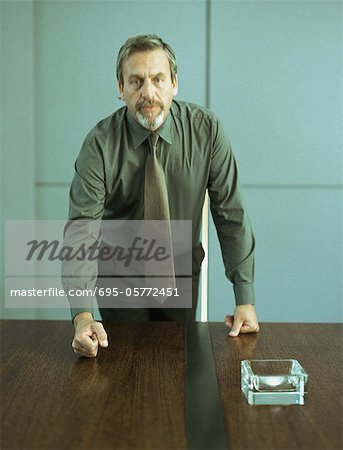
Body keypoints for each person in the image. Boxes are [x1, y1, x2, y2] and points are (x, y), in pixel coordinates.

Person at [64, 34, 259, 358]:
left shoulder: (206, 131)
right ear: (120, 87)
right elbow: (83, 228)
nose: (148, 93)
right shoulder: (99, 144)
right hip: (119, 277)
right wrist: (82, 316)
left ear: (174, 83)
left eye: (158, 79)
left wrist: (245, 298)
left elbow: (230, 212)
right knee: (124, 371)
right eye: (136, 81)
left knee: (177, 367)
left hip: (181, 271)